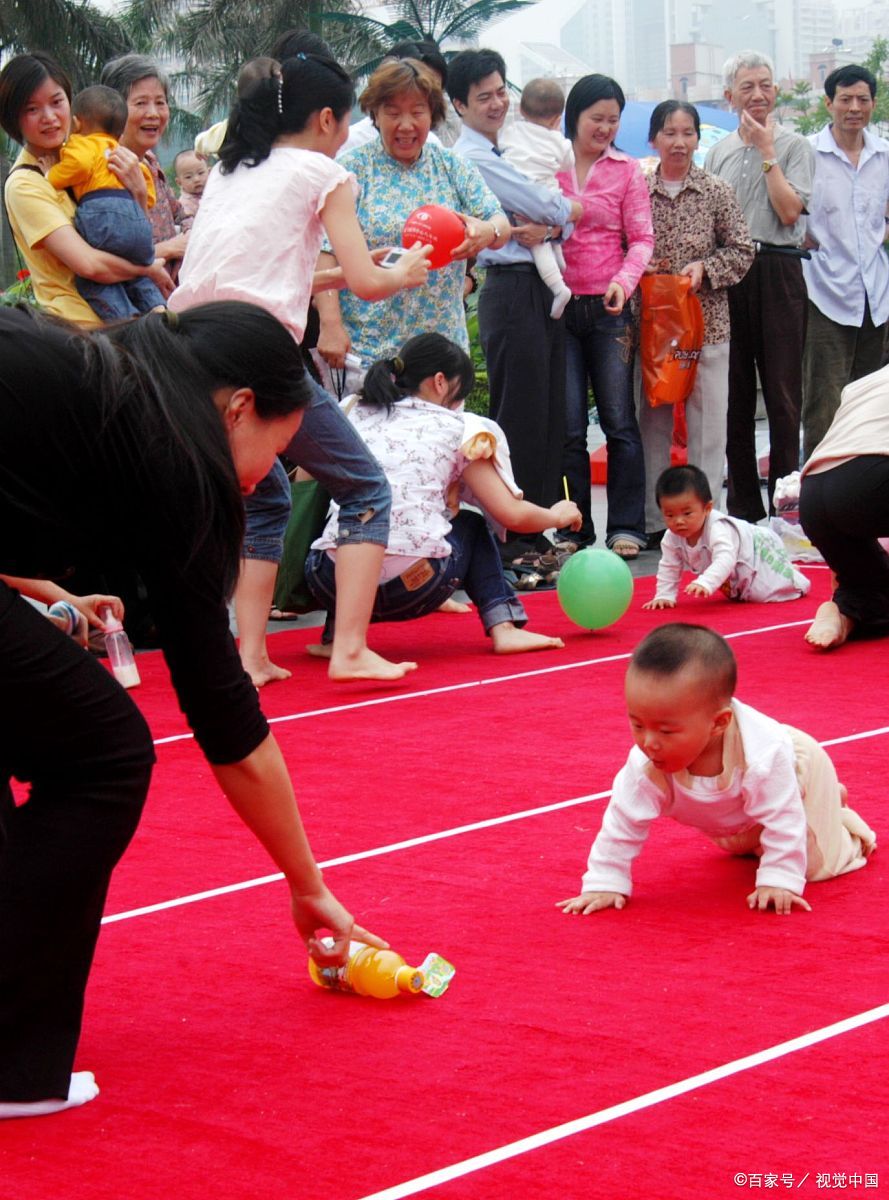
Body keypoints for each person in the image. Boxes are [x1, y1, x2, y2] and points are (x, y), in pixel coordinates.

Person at [0, 300, 385, 1118]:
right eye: (272, 456)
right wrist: (306, 884)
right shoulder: (176, 459)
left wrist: (34, 585)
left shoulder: (101, 382)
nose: (259, 481)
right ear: (237, 405)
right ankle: (13, 1063)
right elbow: (224, 714)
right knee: (102, 754)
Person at [170, 51, 431, 687]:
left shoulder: (236, 168)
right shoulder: (322, 171)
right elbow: (371, 285)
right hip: (255, 350)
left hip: (185, 344)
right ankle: (347, 648)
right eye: (347, 123)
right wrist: (402, 272)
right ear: (323, 119)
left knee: (265, 497)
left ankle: (250, 654)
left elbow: (271, 271)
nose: (348, 137)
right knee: (366, 486)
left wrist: (352, 266)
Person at [557, 624, 875, 917]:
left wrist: (778, 878)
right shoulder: (645, 766)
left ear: (719, 723)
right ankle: (819, 808)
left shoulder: (761, 754)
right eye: (637, 724)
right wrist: (606, 880)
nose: (649, 742)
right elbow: (622, 820)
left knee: (816, 867)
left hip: (797, 771)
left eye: (666, 731)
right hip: (735, 810)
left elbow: (782, 818)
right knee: (739, 847)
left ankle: (838, 817)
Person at [305, 333, 582, 655]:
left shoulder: (353, 410)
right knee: (473, 527)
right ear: (440, 382)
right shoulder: (461, 428)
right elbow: (512, 515)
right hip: (412, 585)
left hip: (329, 582)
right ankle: (505, 627)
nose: (458, 405)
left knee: (348, 521)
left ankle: (337, 636)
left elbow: (310, 480)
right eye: (458, 394)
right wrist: (558, 515)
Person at [448, 49, 579, 572]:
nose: (498, 102)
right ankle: (512, 538)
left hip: (540, 285)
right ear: (459, 105)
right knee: (520, 415)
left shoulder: (509, 149)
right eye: (484, 96)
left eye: (502, 91)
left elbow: (556, 219)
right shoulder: (475, 158)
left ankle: (538, 532)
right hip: (509, 284)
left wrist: (554, 221)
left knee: (548, 415)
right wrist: (556, 218)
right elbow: (556, 207)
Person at [315, 57, 508, 389]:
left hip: (441, 355)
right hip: (369, 351)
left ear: (432, 114)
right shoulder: (349, 172)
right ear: (374, 114)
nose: (406, 125)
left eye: (417, 112)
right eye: (392, 112)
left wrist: (485, 231)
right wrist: (330, 323)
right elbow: (325, 248)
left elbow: (499, 222)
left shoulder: (452, 166)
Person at [636, 100, 754, 543]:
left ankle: (708, 522)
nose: (679, 142)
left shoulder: (716, 190)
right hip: (653, 332)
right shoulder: (638, 191)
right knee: (653, 424)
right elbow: (624, 248)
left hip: (708, 326)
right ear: (654, 140)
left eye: (688, 133)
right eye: (669, 132)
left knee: (708, 427)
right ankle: (654, 521)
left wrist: (705, 270)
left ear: (697, 140)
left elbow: (742, 250)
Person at [705, 51, 814, 523]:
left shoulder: (794, 146)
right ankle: (744, 510)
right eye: (747, 86)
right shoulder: (719, 151)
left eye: (765, 85)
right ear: (730, 96)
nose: (758, 94)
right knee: (733, 396)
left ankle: (787, 507)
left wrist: (768, 151)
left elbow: (790, 212)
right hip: (730, 274)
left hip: (779, 270)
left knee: (784, 393)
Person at [556, 74, 655, 559]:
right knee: (570, 427)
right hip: (557, 306)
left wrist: (625, 280)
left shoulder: (627, 169)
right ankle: (574, 529)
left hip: (610, 308)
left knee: (619, 421)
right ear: (574, 116)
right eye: (597, 118)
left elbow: (642, 238)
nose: (605, 128)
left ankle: (627, 527)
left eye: (613, 120)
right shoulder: (548, 163)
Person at [0, 52, 172, 326]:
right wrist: (147, 269)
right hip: (80, 332)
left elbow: (126, 235)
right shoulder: (25, 184)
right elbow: (88, 264)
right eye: (32, 109)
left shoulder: (84, 155)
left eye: (57, 102)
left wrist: (139, 193)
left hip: (124, 321)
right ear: (13, 118)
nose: (49, 117)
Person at [801, 64, 889, 462]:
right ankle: (816, 494)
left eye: (863, 99)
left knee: (872, 402)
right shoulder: (807, 153)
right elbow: (792, 216)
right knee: (824, 400)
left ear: (872, 103)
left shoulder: (884, 154)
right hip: (826, 292)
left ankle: (865, 493)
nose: (854, 107)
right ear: (828, 103)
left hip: (877, 294)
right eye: (845, 99)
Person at [43, 84, 166, 320]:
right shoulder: (122, 152)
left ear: (77, 123)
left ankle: (125, 322)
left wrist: (50, 175)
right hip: (136, 220)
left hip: (102, 216)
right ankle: (159, 311)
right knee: (137, 278)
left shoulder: (82, 143)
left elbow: (78, 165)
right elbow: (148, 193)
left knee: (94, 281)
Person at [799, 363, 889, 650]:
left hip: (813, 496)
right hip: (867, 481)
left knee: (875, 590)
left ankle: (842, 612)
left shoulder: (867, 381)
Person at [641, 464, 810, 609]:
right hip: (738, 570)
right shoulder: (671, 537)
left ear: (707, 508)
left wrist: (706, 581)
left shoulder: (718, 528)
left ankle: (793, 577)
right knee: (740, 594)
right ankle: (784, 568)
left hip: (759, 548)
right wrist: (664, 595)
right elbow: (669, 565)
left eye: (687, 513)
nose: (679, 521)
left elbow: (725, 558)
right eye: (669, 515)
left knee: (766, 593)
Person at [100, 54, 190, 281]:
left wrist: (191, 235)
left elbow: (180, 214)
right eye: (140, 103)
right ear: (114, 109)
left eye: (160, 102)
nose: (153, 113)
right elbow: (107, 258)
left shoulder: (149, 160)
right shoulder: (103, 168)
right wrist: (170, 248)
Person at [499, 77, 574, 319]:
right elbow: (567, 165)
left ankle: (558, 287)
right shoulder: (558, 141)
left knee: (537, 243)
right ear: (557, 118)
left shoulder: (510, 131)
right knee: (547, 230)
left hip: (523, 197)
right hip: (550, 194)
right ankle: (560, 269)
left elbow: (502, 153)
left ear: (521, 110)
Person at [173, 149, 209, 230]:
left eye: (201, 173)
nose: (196, 179)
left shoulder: (214, 190)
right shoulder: (184, 204)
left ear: (209, 172)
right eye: (188, 177)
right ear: (179, 182)